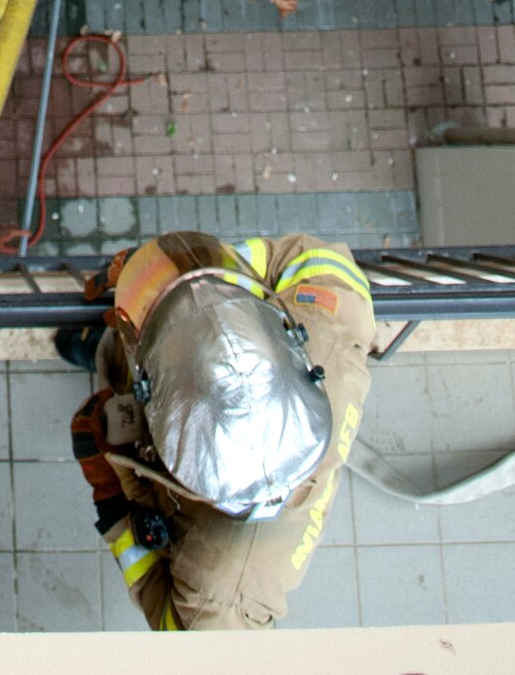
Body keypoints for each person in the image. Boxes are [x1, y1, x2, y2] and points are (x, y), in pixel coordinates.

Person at [64, 231, 374, 631]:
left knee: (122, 396)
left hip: (179, 504)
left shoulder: (218, 600)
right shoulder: (329, 324)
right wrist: (199, 273)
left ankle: (107, 351)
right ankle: (113, 347)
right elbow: (315, 258)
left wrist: (113, 502)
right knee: (138, 364)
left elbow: (171, 622)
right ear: (284, 343)